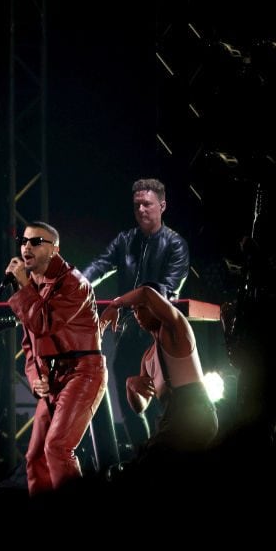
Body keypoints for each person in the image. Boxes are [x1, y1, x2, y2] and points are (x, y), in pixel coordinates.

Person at [81, 178, 189, 452]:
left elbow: (164, 290)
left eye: (147, 204)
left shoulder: (175, 244)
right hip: (130, 330)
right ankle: (144, 454)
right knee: (128, 394)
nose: (141, 209)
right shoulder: (125, 240)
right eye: (137, 205)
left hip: (160, 332)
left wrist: (121, 303)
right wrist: (75, 285)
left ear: (162, 206)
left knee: (162, 400)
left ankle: (165, 456)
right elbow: (100, 265)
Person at [5, 221, 107, 495]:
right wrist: (35, 378)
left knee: (58, 447)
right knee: (35, 456)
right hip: (53, 376)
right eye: (24, 241)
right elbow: (30, 344)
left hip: (83, 373)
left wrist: (23, 286)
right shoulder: (33, 284)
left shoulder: (74, 283)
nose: (27, 247)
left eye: (36, 242)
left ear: (54, 249)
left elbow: (44, 323)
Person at [98, 283, 217, 473]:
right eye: (135, 309)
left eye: (142, 307)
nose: (137, 314)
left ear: (158, 305)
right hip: (171, 422)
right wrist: (130, 386)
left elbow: (146, 293)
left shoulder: (176, 329)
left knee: (148, 463)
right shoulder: (147, 357)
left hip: (195, 413)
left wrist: (115, 305)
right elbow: (140, 407)